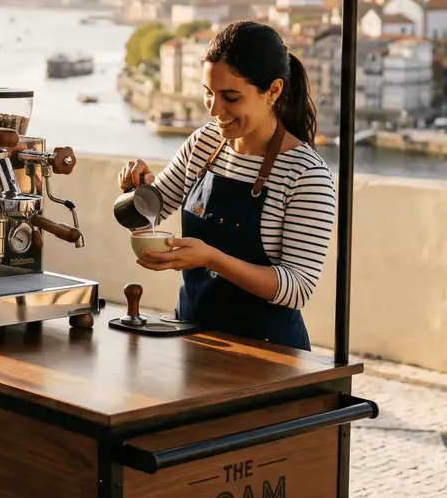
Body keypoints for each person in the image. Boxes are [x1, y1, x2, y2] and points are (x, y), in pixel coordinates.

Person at [117, 21, 336, 351]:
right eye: (209, 92)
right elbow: (148, 217)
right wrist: (135, 191)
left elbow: (297, 289)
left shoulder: (305, 174)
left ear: (273, 91)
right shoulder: (203, 143)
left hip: (270, 355)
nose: (214, 109)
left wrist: (211, 259)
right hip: (192, 339)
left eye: (230, 97)